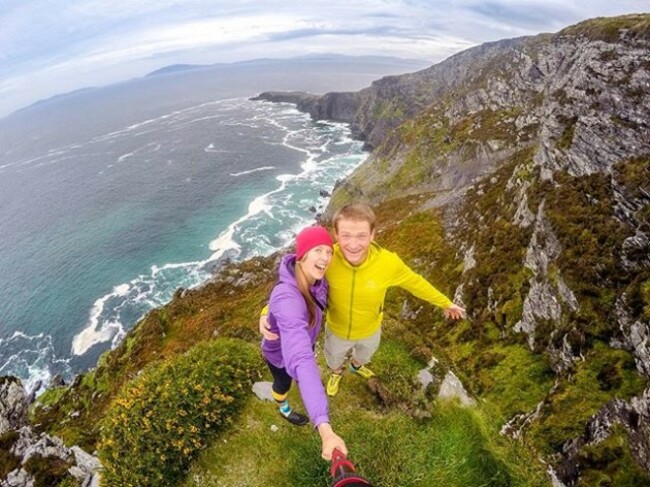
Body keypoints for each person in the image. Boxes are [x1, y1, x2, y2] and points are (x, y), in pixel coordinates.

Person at [262, 203, 465, 397]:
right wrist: (267, 313)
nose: (353, 244)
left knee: (365, 355)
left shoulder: (388, 263)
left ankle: (357, 366)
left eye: (361, 236)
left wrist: (445, 302)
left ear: (373, 234)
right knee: (333, 359)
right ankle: (336, 373)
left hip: (371, 329)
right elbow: (295, 283)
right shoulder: (327, 260)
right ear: (336, 234)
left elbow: (416, 282)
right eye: (346, 236)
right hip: (337, 330)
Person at [261, 224, 347, 461]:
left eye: (329, 251)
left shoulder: (317, 280)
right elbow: (299, 356)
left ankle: (296, 395)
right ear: (302, 255)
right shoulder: (287, 297)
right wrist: (324, 427)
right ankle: (283, 407)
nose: (326, 257)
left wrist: (264, 312)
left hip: (304, 342)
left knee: (302, 373)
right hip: (279, 355)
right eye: (318, 250)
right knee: (283, 383)